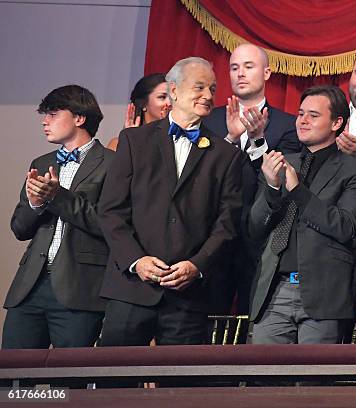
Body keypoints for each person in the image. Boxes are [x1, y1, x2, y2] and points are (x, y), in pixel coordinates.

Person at [97, 57, 243, 346]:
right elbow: (111, 210)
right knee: (114, 384)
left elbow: (226, 224)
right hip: (131, 289)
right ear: (173, 91)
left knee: (179, 388)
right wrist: (136, 260)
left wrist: (196, 265)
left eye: (212, 89)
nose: (208, 96)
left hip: (188, 297)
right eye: (199, 87)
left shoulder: (225, 154)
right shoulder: (133, 141)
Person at [249, 85, 356, 344]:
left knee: (313, 381)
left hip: (323, 293)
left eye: (313, 115)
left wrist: (297, 191)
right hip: (274, 290)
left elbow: (344, 226)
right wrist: (272, 188)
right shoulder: (281, 162)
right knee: (263, 379)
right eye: (300, 113)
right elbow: (255, 228)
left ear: (337, 122)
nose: (302, 121)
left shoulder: (354, 171)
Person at [3, 85, 113, 348]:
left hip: (80, 288)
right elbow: (19, 228)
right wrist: (34, 202)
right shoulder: (41, 163)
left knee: (69, 382)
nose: (45, 121)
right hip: (31, 285)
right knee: (12, 376)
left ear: (79, 118)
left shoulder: (112, 164)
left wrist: (57, 196)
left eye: (52, 113)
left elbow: (109, 224)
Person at [204, 44, 301, 319]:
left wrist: (258, 141)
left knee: (254, 320)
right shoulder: (210, 120)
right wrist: (232, 139)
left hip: (262, 237)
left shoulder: (288, 125)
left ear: (267, 73)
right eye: (234, 68)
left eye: (249, 67)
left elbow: (280, 180)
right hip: (214, 233)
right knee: (209, 321)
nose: (240, 74)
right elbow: (203, 174)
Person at [107, 73, 171, 151]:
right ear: (143, 103)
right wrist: (130, 141)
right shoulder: (117, 144)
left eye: (172, 97)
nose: (170, 103)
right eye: (162, 97)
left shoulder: (179, 140)